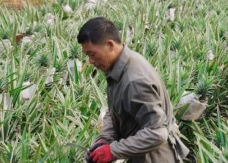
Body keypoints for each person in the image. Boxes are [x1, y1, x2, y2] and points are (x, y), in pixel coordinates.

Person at [79, 17, 189, 163]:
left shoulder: (135, 81)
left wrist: (113, 151)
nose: (90, 61)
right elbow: (114, 113)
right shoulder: (118, 67)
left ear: (110, 45)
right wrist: (104, 140)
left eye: (92, 54)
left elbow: (157, 132)